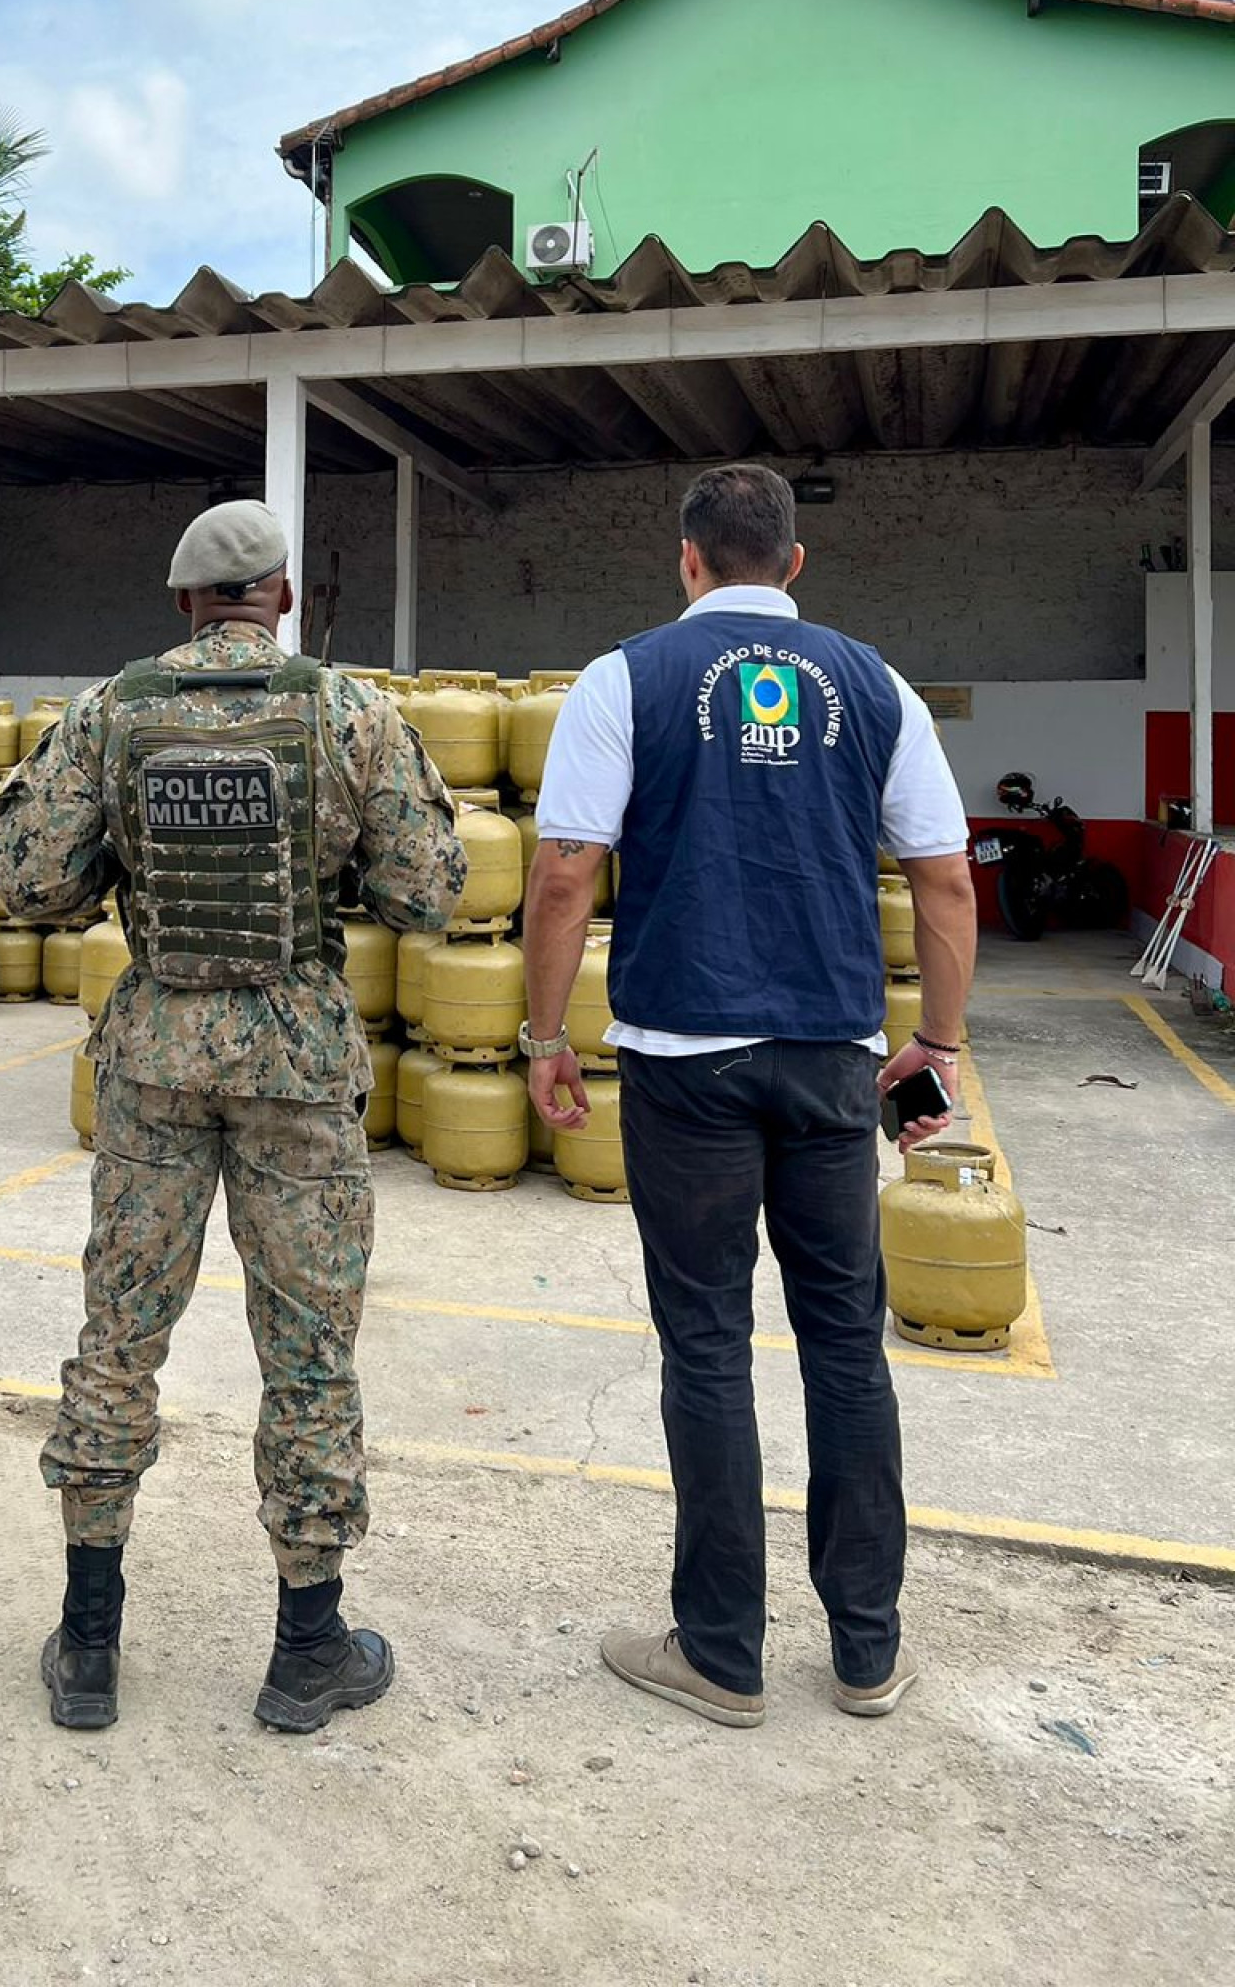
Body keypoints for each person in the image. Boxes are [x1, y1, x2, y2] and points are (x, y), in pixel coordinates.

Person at [0, 498, 465, 1735]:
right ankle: (309, 1649)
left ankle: (89, 1647)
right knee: (308, 1352)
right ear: (285, 597)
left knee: (119, 1338)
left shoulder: (112, 711)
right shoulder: (351, 711)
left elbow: (30, 880)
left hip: (152, 1062)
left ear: (185, 603)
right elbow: (426, 895)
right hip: (298, 1071)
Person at [521, 462, 976, 1730]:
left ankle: (720, 1653)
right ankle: (867, 1649)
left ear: (685, 561)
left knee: (708, 1344)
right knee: (846, 1344)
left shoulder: (623, 679)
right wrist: (934, 1042)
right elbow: (946, 883)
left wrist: (540, 1034)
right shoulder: (875, 685)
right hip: (834, 1058)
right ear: (793, 563)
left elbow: (565, 877)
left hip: (683, 1061)